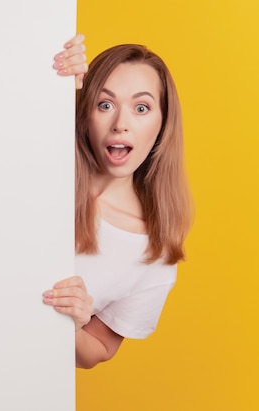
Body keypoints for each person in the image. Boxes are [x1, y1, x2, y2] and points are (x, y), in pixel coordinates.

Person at [43, 34, 192, 369]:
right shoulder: (43, 168)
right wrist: (48, 71)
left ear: (162, 122)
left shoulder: (153, 253)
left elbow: (97, 349)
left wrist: (76, 322)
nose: (121, 124)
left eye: (141, 108)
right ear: (85, 112)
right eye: (104, 104)